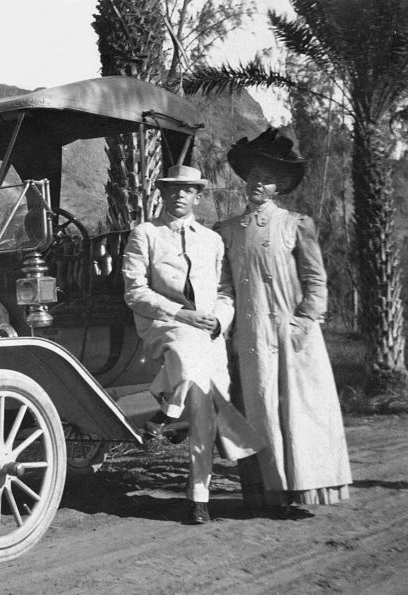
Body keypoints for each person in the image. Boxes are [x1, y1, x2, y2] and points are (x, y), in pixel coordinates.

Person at [216, 128, 352, 518]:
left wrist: (304, 321)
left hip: (292, 335)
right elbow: (225, 285)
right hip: (249, 335)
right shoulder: (226, 232)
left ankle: (300, 491)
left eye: (268, 178)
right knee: (256, 410)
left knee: (296, 413)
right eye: (254, 175)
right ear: (245, 181)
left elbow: (315, 280)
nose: (259, 183)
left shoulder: (296, 225)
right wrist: (226, 327)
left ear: (278, 186)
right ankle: (264, 495)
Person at [123, 164, 265, 525]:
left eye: (187, 190)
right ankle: (169, 410)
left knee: (204, 413)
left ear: (198, 197)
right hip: (163, 324)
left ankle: (198, 497)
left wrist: (219, 318)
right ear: (163, 193)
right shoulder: (145, 233)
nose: (179, 195)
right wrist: (181, 315)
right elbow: (135, 291)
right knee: (186, 360)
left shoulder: (212, 240)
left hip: (208, 332)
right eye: (172, 189)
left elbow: (225, 291)